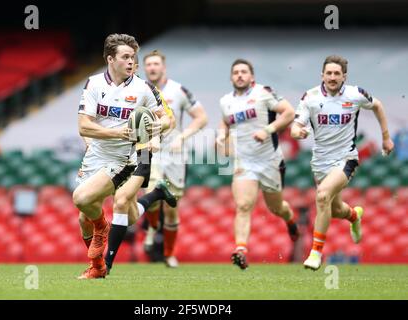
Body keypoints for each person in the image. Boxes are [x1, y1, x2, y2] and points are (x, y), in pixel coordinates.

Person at [73, 33, 175, 279]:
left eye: (133, 57)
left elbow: (168, 119)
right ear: (110, 59)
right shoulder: (94, 84)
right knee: (86, 217)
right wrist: (116, 131)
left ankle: (102, 227)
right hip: (95, 156)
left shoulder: (144, 88)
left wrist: (156, 129)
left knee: (82, 197)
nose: (131, 62)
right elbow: (83, 127)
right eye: (125, 57)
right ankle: (98, 268)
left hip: (123, 160)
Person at [291, 55, 394, 271]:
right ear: (322, 75)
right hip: (320, 163)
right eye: (329, 73)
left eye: (337, 73)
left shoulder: (355, 94)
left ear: (344, 77)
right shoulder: (310, 97)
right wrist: (297, 132)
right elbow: (295, 125)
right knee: (335, 208)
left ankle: (315, 253)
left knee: (321, 196)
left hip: (346, 159)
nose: (332, 77)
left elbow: (378, 105)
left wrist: (385, 137)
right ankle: (354, 216)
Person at [216, 59, 299, 270]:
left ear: (251, 76)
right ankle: (241, 250)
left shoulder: (263, 93)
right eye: (236, 72)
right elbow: (225, 122)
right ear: (231, 77)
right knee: (243, 205)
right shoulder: (226, 101)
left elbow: (289, 112)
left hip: (269, 160)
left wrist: (268, 130)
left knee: (276, 208)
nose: (240, 75)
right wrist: (221, 135)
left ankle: (290, 220)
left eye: (244, 72)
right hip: (244, 161)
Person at [140, 50, 208, 268]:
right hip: (147, 150)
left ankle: (169, 254)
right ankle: (151, 228)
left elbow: (201, 118)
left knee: (171, 208)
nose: (152, 68)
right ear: (144, 68)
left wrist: (183, 136)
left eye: (156, 64)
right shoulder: (136, 91)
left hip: (175, 153)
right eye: (148, 64)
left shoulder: (178, 90)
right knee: (150, 196)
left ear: (163, 67)